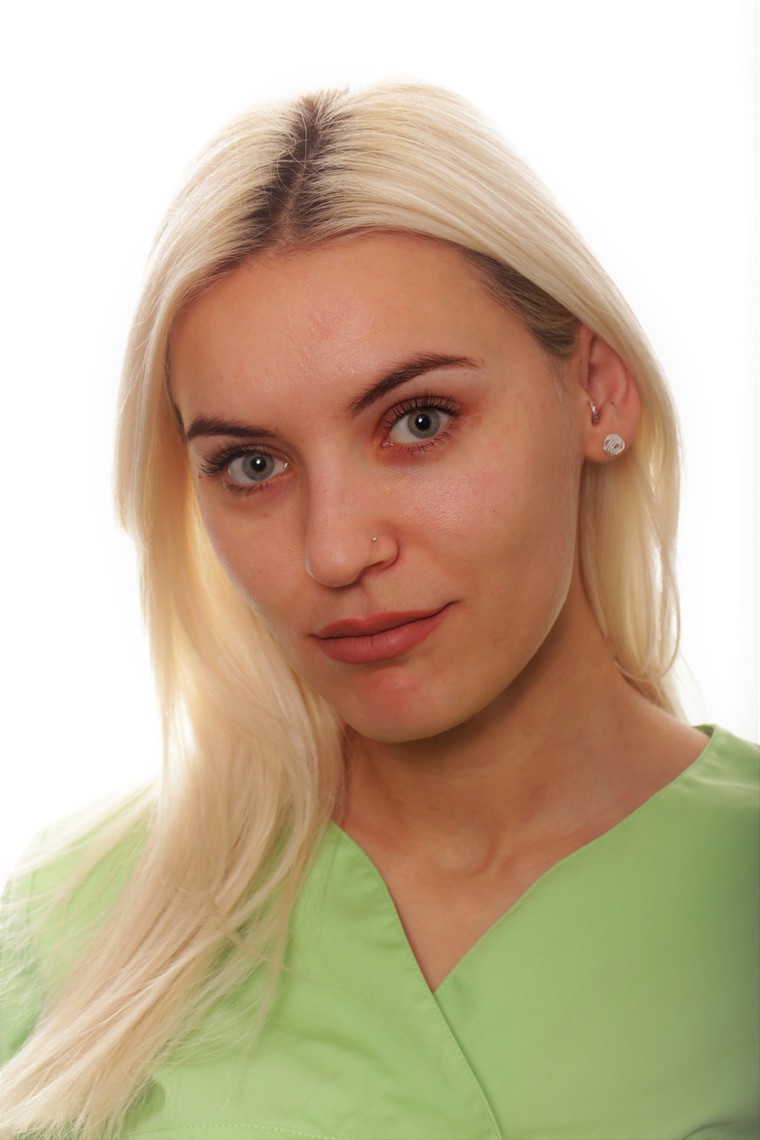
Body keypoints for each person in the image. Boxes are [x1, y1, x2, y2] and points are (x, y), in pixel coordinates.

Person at [0, 82, 757, 1140]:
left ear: (595, 391)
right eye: (252, 464)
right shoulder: (77, 921)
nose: (335, 550)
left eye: (419, 421)